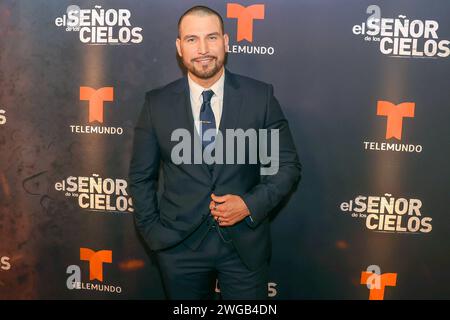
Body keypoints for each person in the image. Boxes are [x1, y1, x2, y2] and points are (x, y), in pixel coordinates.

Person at [129, 5, 301, 300]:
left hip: (243, 247)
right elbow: (140, 178)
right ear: (179, 47)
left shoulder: (260, 97)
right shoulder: (156, 104)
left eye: (211, 37)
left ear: (226, 42)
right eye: (192, 39)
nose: (203, 49)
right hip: (178, 248)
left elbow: (286, 167)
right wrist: (154, 234)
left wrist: (248, 204)